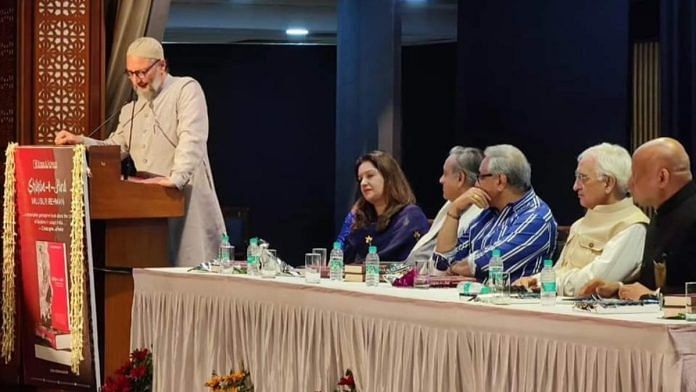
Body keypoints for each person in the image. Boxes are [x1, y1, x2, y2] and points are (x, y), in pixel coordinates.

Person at [54, 37, 225, 267]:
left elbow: (192, 139)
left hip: (185, 197)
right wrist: (80, 141)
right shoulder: (130, 109)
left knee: (191, 276)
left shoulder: (186, 89)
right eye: (131, 74)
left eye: (142, 72)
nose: (137, 81)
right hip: (147, 209)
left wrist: (175, 179)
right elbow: (116, 149)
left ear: (162, 66)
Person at [514, 143, 649, 296]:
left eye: (582, 178)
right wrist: (535, 280)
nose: (575, 187)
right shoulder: (579, 224)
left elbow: (593, 283)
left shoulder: (632, 226)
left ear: (608, 183)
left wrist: (546, 283)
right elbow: (559, 270)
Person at [581, 137, 696, 299]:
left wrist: (655, 295)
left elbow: (656, 292)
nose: (629, 184)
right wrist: (620, 289)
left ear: (662, 177)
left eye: (635, 175)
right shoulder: (660, 216)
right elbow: (653, 285)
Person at [434, 144, 557, 282]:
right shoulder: (488, 213)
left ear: (500, 181)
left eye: (480, 177)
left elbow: (483, 264)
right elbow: (442, 261)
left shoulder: (536, 218)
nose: (475, 184)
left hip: (512, 301)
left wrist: (452, 268)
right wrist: (454, 210)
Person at [342, 150, 430, 263]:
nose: (363, 183)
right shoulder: (362, 222)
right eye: (360, 179)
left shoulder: (411, 217)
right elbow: (339, 261)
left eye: (370, 176)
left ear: (388, 177)